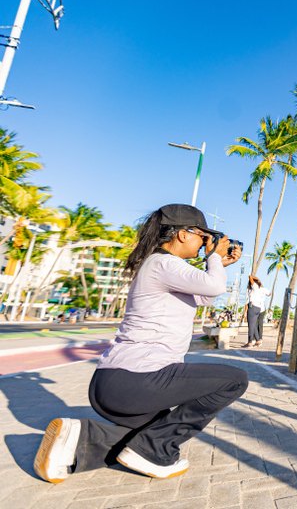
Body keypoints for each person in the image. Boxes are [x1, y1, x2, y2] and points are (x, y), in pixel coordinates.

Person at [33, 204, 247, 483]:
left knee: (152, 433)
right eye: (203, 236)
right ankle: (154, 452)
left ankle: (78, 440)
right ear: (183, 234)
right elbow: (214, 287)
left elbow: (206, 295)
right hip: (137, 379)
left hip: (116, 386)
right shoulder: (163, 263)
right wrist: (214, 258)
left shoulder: (162, 267)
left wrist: (218, 262)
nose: (205, 243)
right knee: (234, 379)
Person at [243, 275, 269, 348]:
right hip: (259, 308)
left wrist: (256, 279)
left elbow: (250, 276)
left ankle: (250, 342)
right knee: (253, 325)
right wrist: (259, 281)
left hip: (253, 307)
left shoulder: (255, 287)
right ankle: (258, 340)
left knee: (251, 326)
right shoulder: (261, 289)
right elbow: (269, 294)